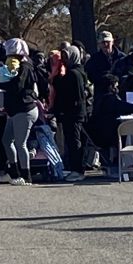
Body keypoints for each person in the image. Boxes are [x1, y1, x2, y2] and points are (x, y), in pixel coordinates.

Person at [0, 38, 39, 185]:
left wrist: (1, 84)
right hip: (15, 110)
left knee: (21, 144)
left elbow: (17, 86)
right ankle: (14, 173)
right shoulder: (14, 65)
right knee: (6, 140)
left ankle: (26, 175)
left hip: (24, 109)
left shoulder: (25, 66)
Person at [52, 45, 89, 181]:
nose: (64, 60)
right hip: (74, 112)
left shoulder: (74, 74)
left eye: (66, 57)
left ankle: (77, 170)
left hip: (73, 113)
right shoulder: (77, 71)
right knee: (73, 141)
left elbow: (75, 95)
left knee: (74, 142)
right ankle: (76, 168)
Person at [85, 31, 126, 106]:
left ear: (112, 42)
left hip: (120, 97)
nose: (106, 44)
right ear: (99, 44)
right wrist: (104, 78)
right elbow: (89, 77)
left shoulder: (122, 58)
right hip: (101, 99)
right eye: (103, 42)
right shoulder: (94, 59)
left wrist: (116, 79)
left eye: (108, 42)